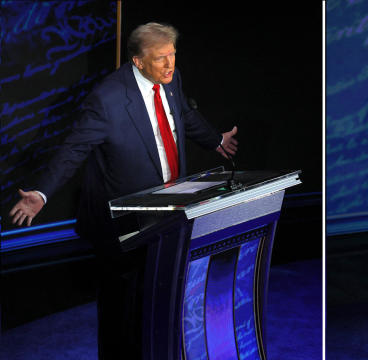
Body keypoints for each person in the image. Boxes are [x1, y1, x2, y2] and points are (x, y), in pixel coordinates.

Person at [9, 22, 239, 359]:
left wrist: (215, 140)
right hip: (121, 224)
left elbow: (184, 117)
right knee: (121, 311)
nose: (170, 64)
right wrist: (41, 194)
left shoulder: (171, 79)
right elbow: (73, 150)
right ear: (138, 62)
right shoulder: (107, 99)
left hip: (170, 212)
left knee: (160, 301)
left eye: (173, 55)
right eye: (161, 58)